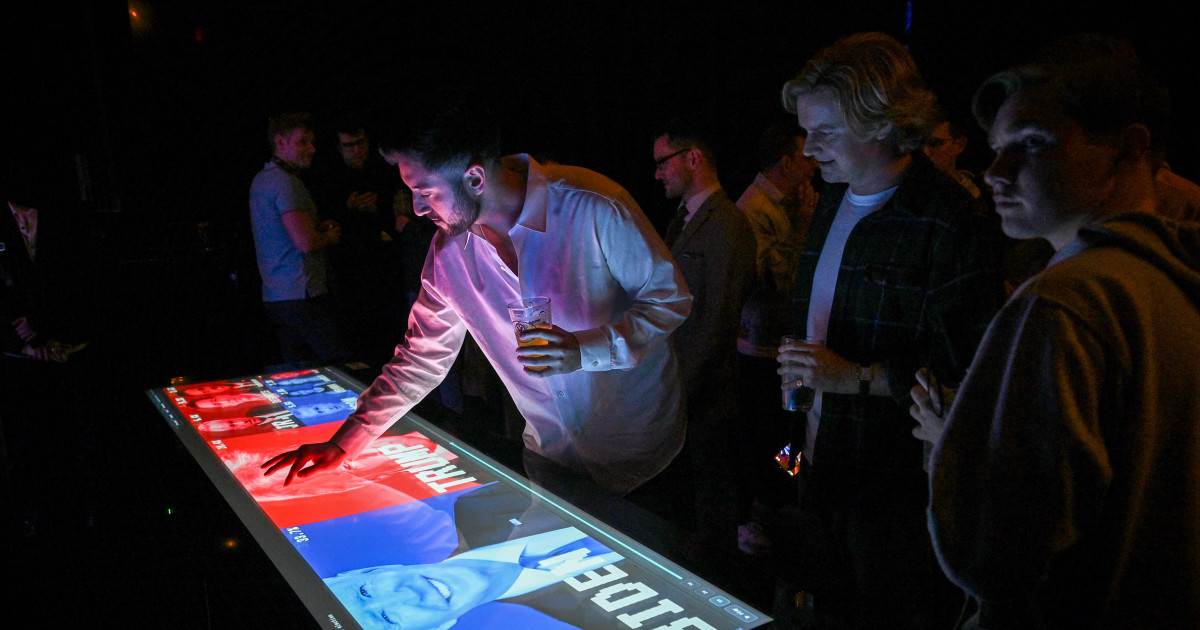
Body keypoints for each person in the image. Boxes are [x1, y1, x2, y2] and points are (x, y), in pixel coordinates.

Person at [264, 103, 691, 502]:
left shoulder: (591, 204)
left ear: (474, 179)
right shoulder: (448, 252)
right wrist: (345, 442)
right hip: (550, 457)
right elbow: (421, 356)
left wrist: (587, 349)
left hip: (642, 453)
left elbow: (669, 299)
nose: (417, 208)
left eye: (425, 191)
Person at [912, 39, 1200, 629]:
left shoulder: (1063, 303)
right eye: (997, 148)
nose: (995, 172)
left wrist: (960, 449)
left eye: (1032, 143)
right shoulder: (1170, 284)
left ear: (1130, 148)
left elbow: (994, 556)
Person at [774, 31, 1006, 628]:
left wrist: (855, 377)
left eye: (825, 132)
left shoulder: (950, 219)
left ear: (883, 122)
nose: (808, 149)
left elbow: (968, 371)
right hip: (818, 468)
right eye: (806, 131)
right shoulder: (831, 199)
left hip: (892, 494)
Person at [652, 116, 756, 556]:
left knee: (713, 492)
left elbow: (719, 320)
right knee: (692, 492)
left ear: (692, 158)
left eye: (663, 162)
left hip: (706, 391)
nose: (658, 173)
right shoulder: (684, 220)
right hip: (682, 385)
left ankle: (719, 573)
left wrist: (685, 386)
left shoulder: (728, 224)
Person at [732, 121, 820, 554]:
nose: (815, 161)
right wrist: (803, 227)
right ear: (787, 162)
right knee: (772, 429)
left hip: (783, 343)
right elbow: (781, 282)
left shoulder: (786, 202)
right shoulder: (757, 208)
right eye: (807, 154)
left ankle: (783, 499)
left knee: (789, 425)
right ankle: (769, 509)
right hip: (762, 349)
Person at [325, 526, 620, 630]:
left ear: (371, 570)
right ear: (437, 629)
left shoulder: (478, 496)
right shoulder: (601, 624)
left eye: (364, 591)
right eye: (388, 620)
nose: (410, 593)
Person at [249, 112, 352, 364]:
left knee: (298, 372)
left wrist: (316, 228)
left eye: (311, 142)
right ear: (280, 142)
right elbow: (306, 243)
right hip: (301, 293)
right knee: (343, 366)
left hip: (275, 296)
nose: (312, 149)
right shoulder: (286, 183)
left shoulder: (262, 180)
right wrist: (328, 236)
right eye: (302, 142)